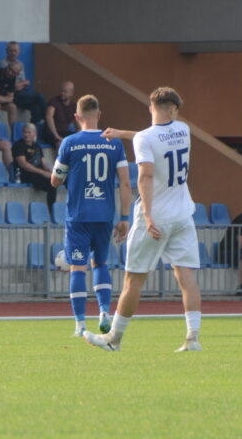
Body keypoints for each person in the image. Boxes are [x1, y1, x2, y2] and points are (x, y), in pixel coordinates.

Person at [84, 86, 204, 353]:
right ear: (173, 109)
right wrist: (121, 133)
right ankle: (193, 338)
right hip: (184, 214)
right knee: (186, 277)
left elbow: (145, 175)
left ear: (151, 107)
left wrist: (148, 216)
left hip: (157, 216)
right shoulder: (183, 130)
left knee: (133, 280)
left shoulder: (146, 139)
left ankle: (113, 339)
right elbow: (153, 138)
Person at [49, 95, 130, 337]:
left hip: (78, 215)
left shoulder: (70, 143)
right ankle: (105, 311)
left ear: (77, 117)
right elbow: (125, 183)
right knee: (101, 263)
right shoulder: (114, 143)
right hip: (104, 214)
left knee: (77, 268)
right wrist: (125, 217)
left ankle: (80, 324)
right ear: (99, 114)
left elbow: (55, 180)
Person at [0, 41, 47, 124]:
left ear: (19, 52)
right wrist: (22, 84)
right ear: (6, 51)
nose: (13, 53)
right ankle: (47, 119)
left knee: (35, 107)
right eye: (10, 50)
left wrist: (21, 84)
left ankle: (34, 129)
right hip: (11, 94)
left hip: (22, 92)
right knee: (39, 97)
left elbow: (26, 83)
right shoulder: (3, 64)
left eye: (15, 51)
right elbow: (11, 86)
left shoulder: (20, 64)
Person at [13, 122, 56, 206]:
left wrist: (52, 172)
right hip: (27, 175)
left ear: (34, 134)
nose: (26, 135)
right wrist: (43, 172)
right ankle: (51, 211)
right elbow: (23, 164)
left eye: (29, 132)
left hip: (39, 174)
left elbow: (44, 163)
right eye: (25, 132)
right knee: (52, 184)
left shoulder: (37, 146)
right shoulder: (18, 145)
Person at [44, 81, 77, 148]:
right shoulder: (53, 101)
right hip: (51, 133)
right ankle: (61, 158)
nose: (62, 93)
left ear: (71, 93)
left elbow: (79, 124)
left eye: (65, 92)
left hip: (64, 132)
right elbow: (49, 117)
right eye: (61, 91)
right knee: (61, 144)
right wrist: (56, 136)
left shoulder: (73, 105)